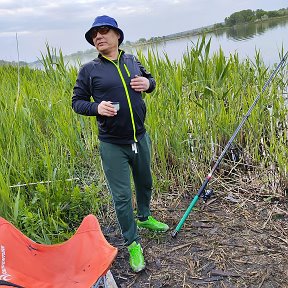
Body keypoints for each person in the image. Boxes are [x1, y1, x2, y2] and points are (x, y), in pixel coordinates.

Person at [72, 15, 169, 273]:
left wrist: (148, 84)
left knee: (145, 181)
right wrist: (96, 107)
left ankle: (145, 218)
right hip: (113, 144)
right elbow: (77, 102)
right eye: (94, 35)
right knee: (123, 196)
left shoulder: (132, 60)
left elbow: (152, 82)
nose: (98, 37)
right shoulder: (89, 70)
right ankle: (132, 241)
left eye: (103, 31)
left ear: (117, 35)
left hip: (140, 136)